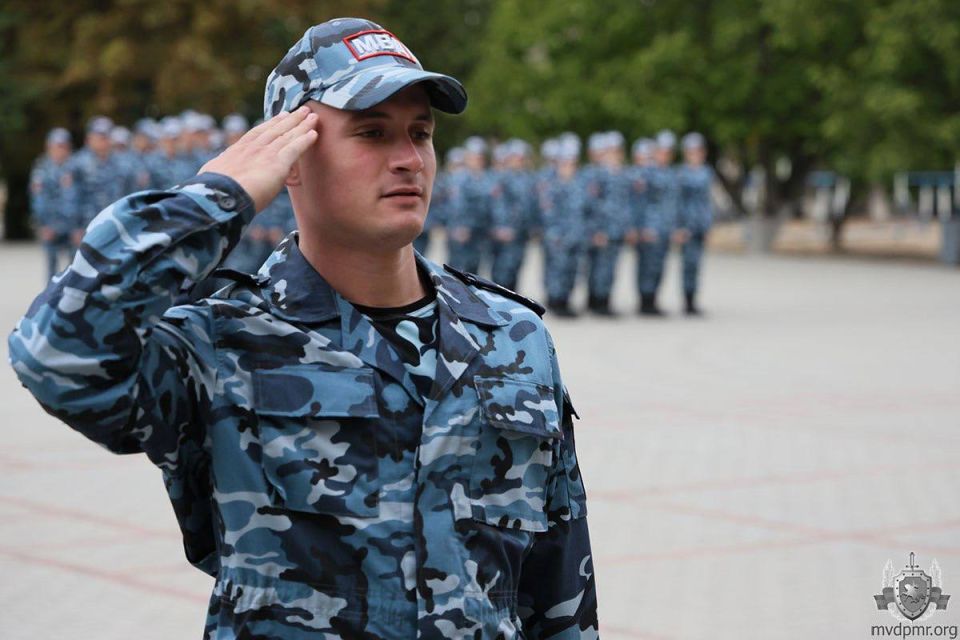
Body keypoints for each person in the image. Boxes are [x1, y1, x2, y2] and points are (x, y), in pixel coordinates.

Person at [9, 17, 597, 640]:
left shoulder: (510, 337)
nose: (408, 160)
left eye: (420, 133)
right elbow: (58, 356)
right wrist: (219, 197)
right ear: (290, 156)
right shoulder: (224, 343)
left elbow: (561, 588)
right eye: (372, 133)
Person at [637, 129, 679, 316]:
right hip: (650, 228)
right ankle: (645, 302)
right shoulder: (646, 173)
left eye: (668, 151)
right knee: (647, 266)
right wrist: (643, 226)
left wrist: (675, 227)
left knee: (659, 266)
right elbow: (639, 203)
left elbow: (673, 204)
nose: (665, 154)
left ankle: (653, 300)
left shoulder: (671, 173)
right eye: (662, 150)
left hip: (665, 228)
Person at [29, 127, 79, 280]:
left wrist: (79, 226)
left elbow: (82, 197)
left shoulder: (77, 168)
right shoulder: (41, 169)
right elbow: (38, 200)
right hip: (50, 226)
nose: (60, 150)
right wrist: (43, 225)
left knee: (76, 270)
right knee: (51, 271)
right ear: (49, 147)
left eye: (63, 146)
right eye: (57, 146)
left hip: (73, 228)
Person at [676, 132, 714, 315]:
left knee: (697, 264)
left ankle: (693, 299)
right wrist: (679, 227)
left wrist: (707, 226)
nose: (695, 155)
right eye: (691, 151)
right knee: (688, 264)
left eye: (698, 151)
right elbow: (677, 203)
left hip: (700, 225)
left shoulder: (707, 172)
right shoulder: (681, 174)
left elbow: (707, 202)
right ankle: (687, 300)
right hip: (687, 225)